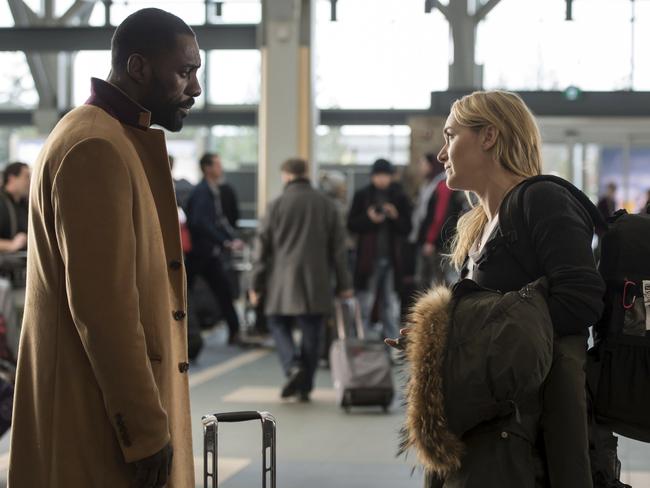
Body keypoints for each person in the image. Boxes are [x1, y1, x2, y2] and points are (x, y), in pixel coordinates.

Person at [9, 8, 201, 488]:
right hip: (95, 425)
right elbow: (104, 310)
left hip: (94, 412)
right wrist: (143, 429)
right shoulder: (95, 146)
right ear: (137, 68)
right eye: (184, 72)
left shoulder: (103, 135)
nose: (194, 89)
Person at [390, 91, 605, 487]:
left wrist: (465, 336)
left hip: (525, 436)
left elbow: (581, 301)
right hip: (486, 424)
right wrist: (442, 339)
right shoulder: (478, 226)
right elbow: (495, 320)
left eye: (451, 135)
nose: (441, 154)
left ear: (489, 136)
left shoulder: (542, 200)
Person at [250, 158, 353, 402]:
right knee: (312, 330)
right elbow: (339, 250)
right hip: (317, 279)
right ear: (306, 173)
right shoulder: (327, 205)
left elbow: (261, 250)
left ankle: (293, 366)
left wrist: (255, 284)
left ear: (286, 175)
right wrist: (344, 285)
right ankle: (305, 385)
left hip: (281, 280)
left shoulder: (275, 205)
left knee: (277, 322)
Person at [347, 158, 411, 342]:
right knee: (365, 302)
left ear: (391, 176)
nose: (382, 179)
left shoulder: (399, 197)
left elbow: (407, 228)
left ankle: (391, 343)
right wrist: (368, 219)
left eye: (385, 176)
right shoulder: (362, 195)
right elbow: (351, 224)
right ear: (372, 176)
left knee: (390, 304)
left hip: (393, 260)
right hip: (368, 259)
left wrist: (395, 216)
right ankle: (361, 343)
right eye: (378, 176)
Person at [184, 152, 243, 345]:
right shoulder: (202, 192)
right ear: (207, 168)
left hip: (208, 253)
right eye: (217, 164)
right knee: (184, 292)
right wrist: (224, 242)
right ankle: (187, 334)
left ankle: (234, 331)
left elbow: (218, 222)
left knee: (223, 290)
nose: (221, 168)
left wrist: (229, 239)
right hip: (199, 253)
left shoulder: (212, 190)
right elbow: (201, 223)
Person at [0, 162, 30, 253]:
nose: (30, 182)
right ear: (12, 179)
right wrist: (11, 245)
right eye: (26, 177)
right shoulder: (2, 202)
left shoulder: (24, 203)